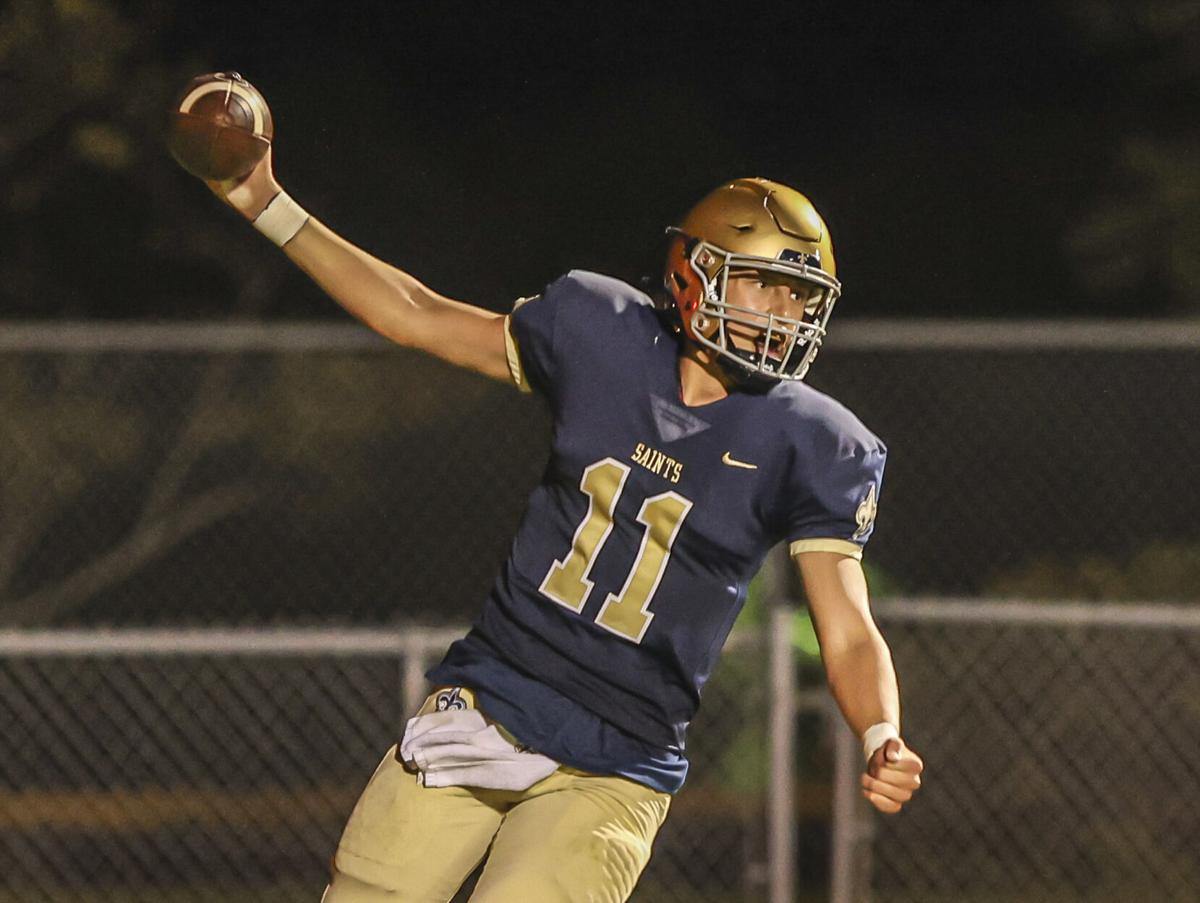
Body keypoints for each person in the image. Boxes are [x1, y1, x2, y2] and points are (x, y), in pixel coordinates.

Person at [200, 147, 924, 902]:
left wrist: (880, 730)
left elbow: (846, 628)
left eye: (799, 296)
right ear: (691, 273)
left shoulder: (816, 441)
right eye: (764, 285)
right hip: (491, 700)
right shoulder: (601, 331)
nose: (784, 314)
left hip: (618, 760)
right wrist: (263, 199)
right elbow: (411, 313)